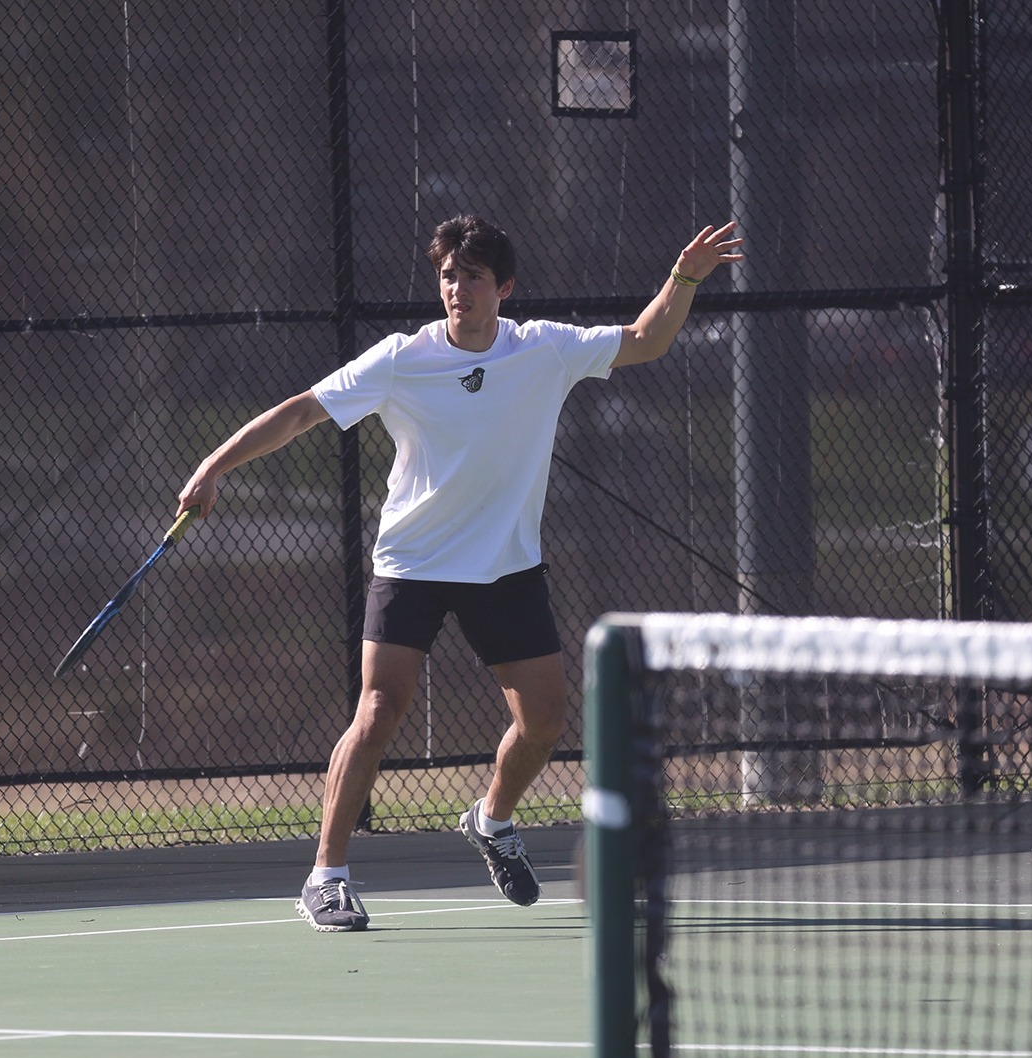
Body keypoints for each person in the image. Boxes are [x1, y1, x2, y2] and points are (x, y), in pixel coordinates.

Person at [177, 214, 744, 931]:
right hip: (412, 562)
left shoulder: (544, 350)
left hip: (506, 566)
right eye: (447, 275)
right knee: (379, 709)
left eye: (472, 276)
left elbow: (646, 340)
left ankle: (491, 818)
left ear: (501, 287)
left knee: (543, 725)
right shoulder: (400, 358)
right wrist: (212, 465)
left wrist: (684, 277)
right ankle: (327, 874)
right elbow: (299, 414)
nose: (457, 288)